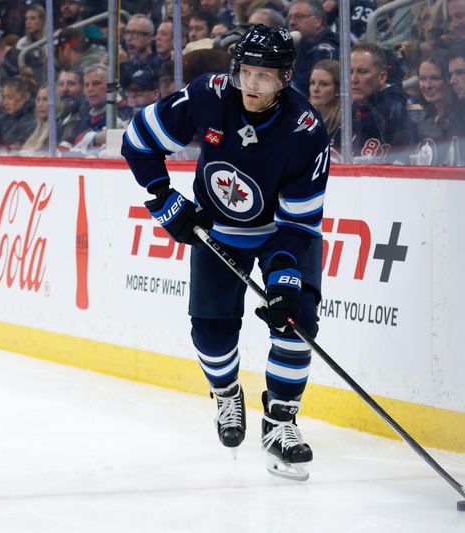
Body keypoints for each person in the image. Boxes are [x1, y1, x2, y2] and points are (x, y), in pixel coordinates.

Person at [121, 24, 328, 481]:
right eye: (247, 73)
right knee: (212, 334)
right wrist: (163, 198)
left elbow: (297, 227)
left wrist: (284, 280)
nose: (253, 85)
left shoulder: (306, 130)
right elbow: (138, 140)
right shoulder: (208, 95)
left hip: (281, 233)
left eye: (265, 76)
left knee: (296, 324)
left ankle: (280, 423)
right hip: (218, 232)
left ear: (286, 77)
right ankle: (226, 393)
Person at [350, 42, 411, 162]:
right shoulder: (357, 106)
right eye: (350, 71)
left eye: (362, 72)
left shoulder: (393, 111)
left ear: (382, 77)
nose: (353, 79)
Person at [406, 50, 463, 164]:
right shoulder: (422, 117)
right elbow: (406, 157)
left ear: (450, 80)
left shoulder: (462, 118)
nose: (427, 85)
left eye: (435, 78)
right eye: (422, 78)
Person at [287, 0, 339, 97]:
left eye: (299, 17)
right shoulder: (300, 46)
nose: (292, 22)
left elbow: (302, 90)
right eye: (290, 17)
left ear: (318, 21)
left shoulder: (326, 51)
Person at [309, 59, 341, 154]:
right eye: (312, 83)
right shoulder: (301, 117)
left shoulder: (348, 122)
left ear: (338, 89)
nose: (315, 89)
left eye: (324, 84)